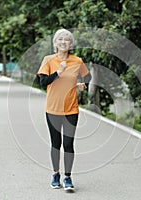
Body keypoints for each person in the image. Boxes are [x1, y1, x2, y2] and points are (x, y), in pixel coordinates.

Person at [37, 28, 91, 191]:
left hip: (71, 110)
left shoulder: (77, 61)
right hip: (52, 109)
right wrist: (58, 73)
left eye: (66, 39)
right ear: (55, 43)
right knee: (56, 144)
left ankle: (67, 177)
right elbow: (42, 82)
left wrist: (82, 85)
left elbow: (88, 77)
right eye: (60, 39)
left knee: (68, 144)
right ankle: (55, 174)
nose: (63, 42)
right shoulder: (48, 60)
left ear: (71, 44)